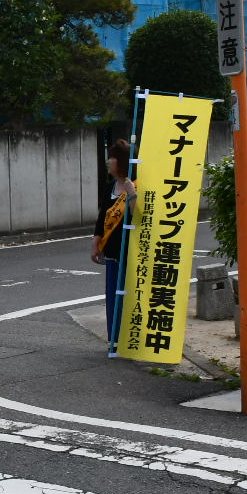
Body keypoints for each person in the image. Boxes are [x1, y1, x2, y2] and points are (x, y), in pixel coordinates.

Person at [91, 138, 136, 353]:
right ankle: (114, 339)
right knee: (112, 297)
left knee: (128, 297)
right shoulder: (110, 187)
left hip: (130, 252)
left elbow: (141, 215)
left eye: (112, 158)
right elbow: (102, 218)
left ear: (121, 161)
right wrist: (96, 243)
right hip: (111, 252)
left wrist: (133, 194)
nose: (108, 162)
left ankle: (130, 339)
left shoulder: (134, 184)